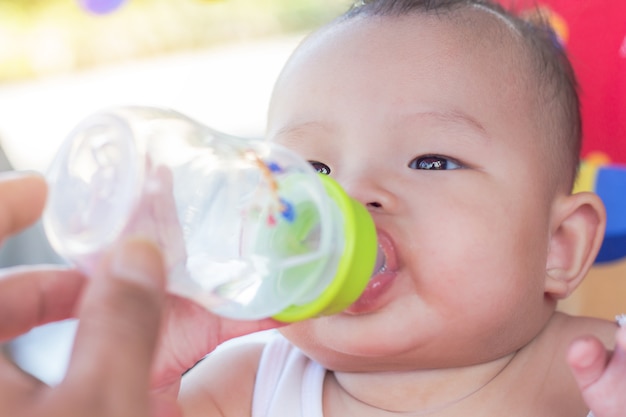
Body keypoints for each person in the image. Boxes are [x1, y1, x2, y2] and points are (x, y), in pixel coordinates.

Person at [0, 0, 625, 416]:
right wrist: (154, 386)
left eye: (431, 161)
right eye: (312, 169)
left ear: (559, 246)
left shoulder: (606, 372)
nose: (348, 194)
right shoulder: (243, 388)